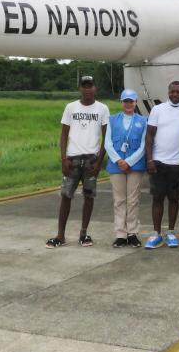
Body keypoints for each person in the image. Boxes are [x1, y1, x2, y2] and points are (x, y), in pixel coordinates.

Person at [46, 75, 109, 249]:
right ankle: (60, 235)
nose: (87, 89)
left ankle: (83, 233)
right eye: (84, 86)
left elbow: (106, 137)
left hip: (91, 160)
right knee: (66, 196)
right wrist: (63, 159)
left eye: (90, 86)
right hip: (72, 159)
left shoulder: (102, 108)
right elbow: (64, 134)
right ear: (80, 88)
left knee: (89, 196)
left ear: (95, 88)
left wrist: (99, 162)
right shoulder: (70, 107)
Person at [143, 81, 179, 249]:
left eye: (178, 92)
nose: (175, 94)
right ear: (168, 92)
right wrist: (149, 159)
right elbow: (149, 135)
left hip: (178, 163)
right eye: (172, 91)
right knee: (157, 198)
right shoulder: (157, 109)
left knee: (174, 198)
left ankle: (171, 233)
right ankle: (156, 234)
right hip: (158, 161)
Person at [105, 89, 148, 248]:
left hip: (135, 166)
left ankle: (132, 233)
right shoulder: (112, 120)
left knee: (133, 200)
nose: (128, 104)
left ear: (136, 102)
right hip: (116, 165)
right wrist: (118, 160)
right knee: (119, 200)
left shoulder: (143, 121)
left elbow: (143, 145)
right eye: (125, 101)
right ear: (121, 102)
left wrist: (129, 162)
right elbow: (108, 143)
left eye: (131, 101)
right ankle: (120, 234)